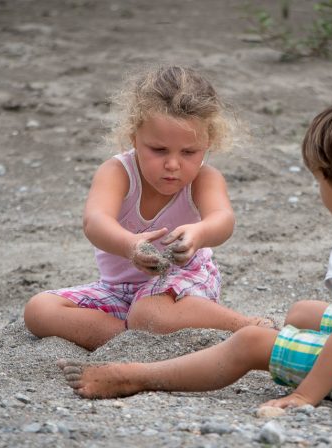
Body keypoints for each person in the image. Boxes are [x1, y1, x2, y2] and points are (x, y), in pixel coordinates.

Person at [57, 93, 332, 407]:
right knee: (301, 314)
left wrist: (304, 397)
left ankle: (137, 376)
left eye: (320, 181)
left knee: (252, 342)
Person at [24, 66, 273, 350]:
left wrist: (200, 233)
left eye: (189, 152)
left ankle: (244, 326)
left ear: (208, 143)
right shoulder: (117, 172)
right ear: (134, 138)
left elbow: (223, 219)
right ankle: (133, 337)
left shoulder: (204, 178)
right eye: (159, 150)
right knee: (39, 309)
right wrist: (130, 245)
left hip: (182, 283)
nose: (173, 164)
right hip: (119, 290)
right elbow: (95, 221)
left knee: (149, 312)